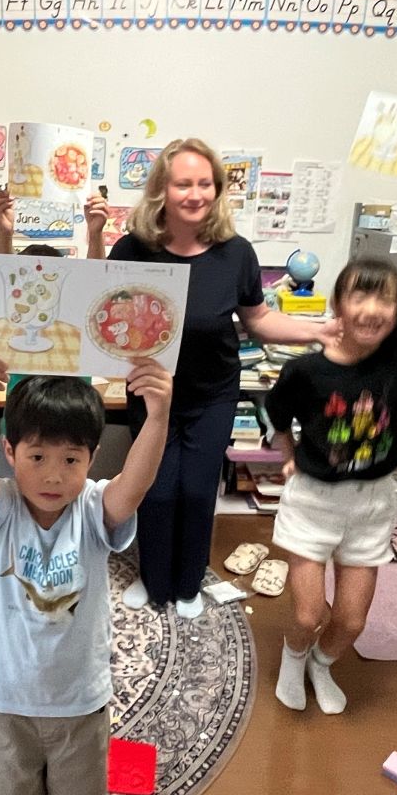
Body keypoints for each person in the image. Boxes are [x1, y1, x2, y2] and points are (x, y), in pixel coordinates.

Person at [0, 350, 172, 795]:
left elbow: (135, 484)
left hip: (78, 704)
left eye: (71, 459)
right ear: (9, 451)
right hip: (3, 703)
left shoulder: (94, 508)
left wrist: (158, 415)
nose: (53, 475)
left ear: (92, 458)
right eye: (37, 457)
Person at [107, 138, 332, 618]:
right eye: (183, 184)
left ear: (217, 188)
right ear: (162, 189)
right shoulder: (132, 248)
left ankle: (188, 585)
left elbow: (259, 319)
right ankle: (153, 579)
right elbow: (104, 312)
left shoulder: (236, 253)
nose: (195, 194)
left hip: (212, 395)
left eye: (204, 184)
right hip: (151, 394)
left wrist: (317, 331)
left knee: (196, 489)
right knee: (155, 489)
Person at [264, 181, 397, 714]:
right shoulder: (307, 369)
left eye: (385, 298)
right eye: (360, 296)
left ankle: (321, 665)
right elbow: (273, 414)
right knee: (308, 614)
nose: (372, 310)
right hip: (314, 501)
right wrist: (286, 455)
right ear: (339, 305)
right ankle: (294, 656)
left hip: (373, 503)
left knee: (350, 620)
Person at [0, 186, 108, 479]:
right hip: (20, 435)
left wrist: (96, 235)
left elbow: (94, 284)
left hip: (70, 432)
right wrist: (4, 233)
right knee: (6, 499)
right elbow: (7, 280)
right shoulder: (15, 329)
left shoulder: (73, 326)